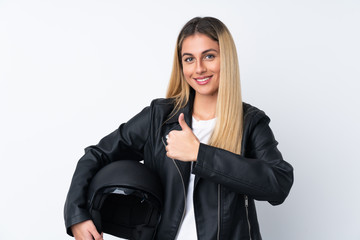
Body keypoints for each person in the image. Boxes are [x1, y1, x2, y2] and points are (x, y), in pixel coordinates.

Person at [64, 16, 294, 240]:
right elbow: (97, 154)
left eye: (209, 56)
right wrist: (77, 215)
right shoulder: (159, 117)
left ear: (227, 59)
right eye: (189, 59)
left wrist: (200, 154)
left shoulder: (251, 122)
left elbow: (278, 184)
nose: (199, 68)